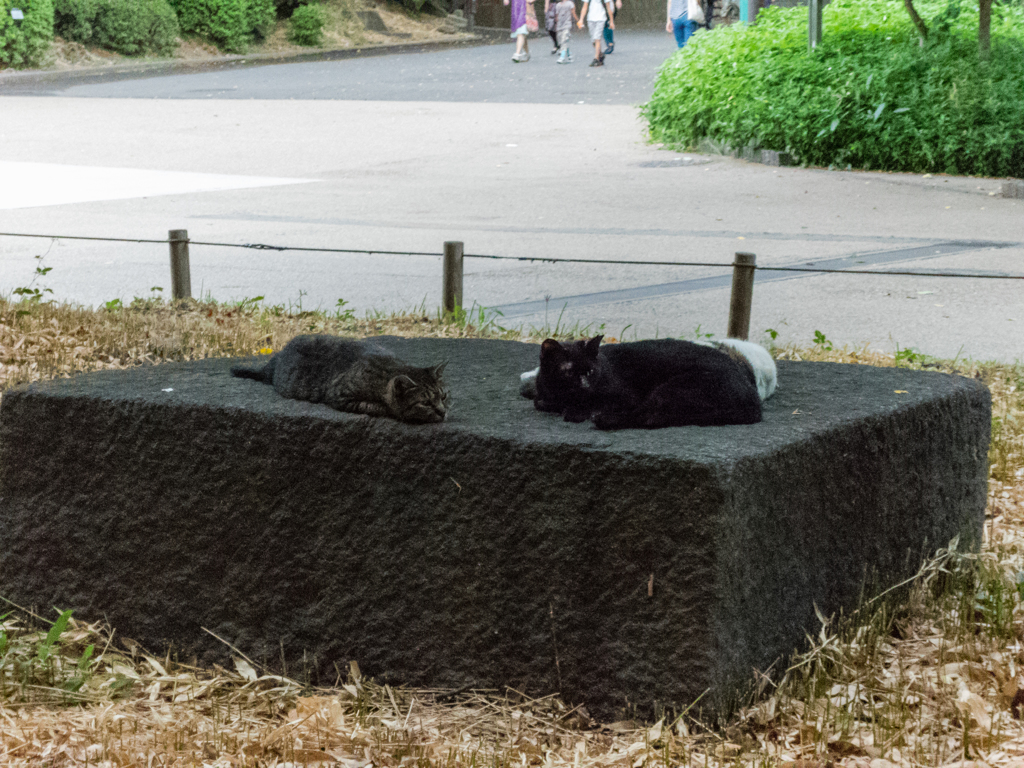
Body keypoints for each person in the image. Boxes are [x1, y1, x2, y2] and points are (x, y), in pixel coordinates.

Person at [577, 0, 614, 66]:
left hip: (601, 18)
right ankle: (600, 55)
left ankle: (596, 59)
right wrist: (581, 19)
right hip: (590, 19)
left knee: (597, 38)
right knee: (593, 41)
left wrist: (611, 21)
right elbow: (584, 7)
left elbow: (608, 7)